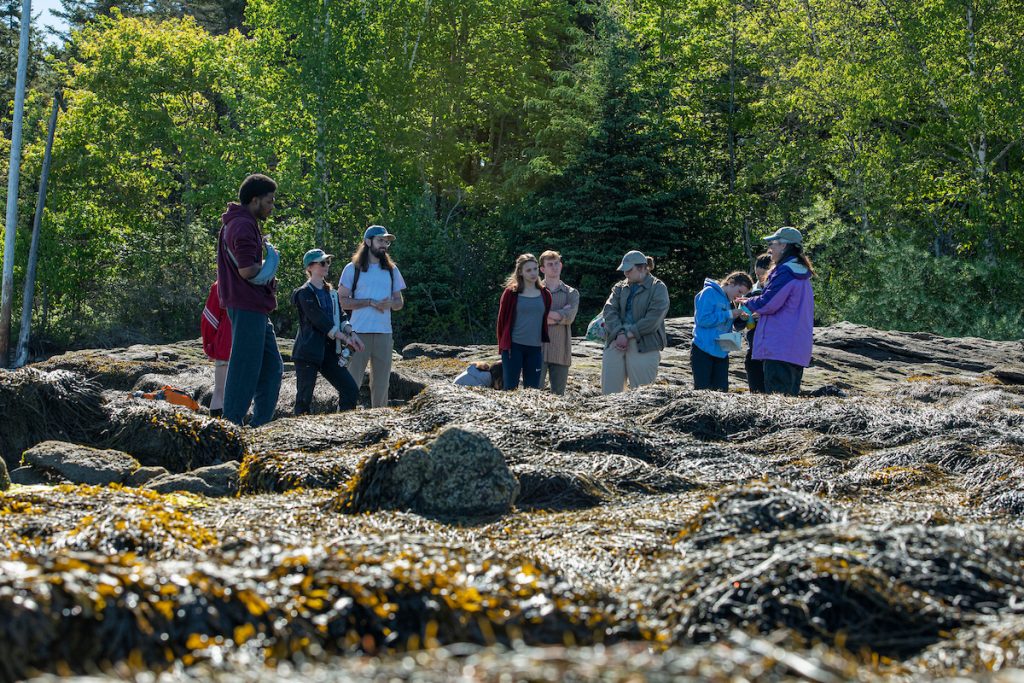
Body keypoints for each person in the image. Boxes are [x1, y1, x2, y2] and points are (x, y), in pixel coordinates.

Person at [216, 173, 283, 427]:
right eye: (269, 201)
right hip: (246, 305)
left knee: (271, 368)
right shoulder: (242, 225)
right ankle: (230, 426)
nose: (271, 206)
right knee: (244, 367)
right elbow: (247, 271)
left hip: (254, 305)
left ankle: (261, 426)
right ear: (254, 200)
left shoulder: (243, 223)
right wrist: (270, 267)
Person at [738, 226, 815, 396]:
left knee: (776, 405)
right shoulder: (801, 272)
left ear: (784, 246)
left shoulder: (785, 271)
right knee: (790, 403)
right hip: (795, 349)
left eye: (773, 244)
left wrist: (748, 302)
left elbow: (769, 302)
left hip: (779, 348)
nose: (770, 249)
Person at [337, 225, 407, 408]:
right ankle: (344, 421)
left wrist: (390, 304)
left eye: (386, 242)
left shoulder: (392, 270)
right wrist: (369, 302)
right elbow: (343, 302)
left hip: (384, 334)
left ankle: (380, 422)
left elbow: (399, 303)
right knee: (351, 382)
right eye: (380, 240)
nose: (384, 245)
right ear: (368, 242)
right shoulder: (352, 269)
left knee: (382, 384)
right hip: (358, 333)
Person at [291, 249, 364, 415]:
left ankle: (344, 425)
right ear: (310, 267)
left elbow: (342, 316)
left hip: (328, 352)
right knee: (304, 399)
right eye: (322, 263)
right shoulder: (304, 293)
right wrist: (345, 338)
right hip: (307, 353)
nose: (326, 266)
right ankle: (300, 433)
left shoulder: (332, 293)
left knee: (350, 389)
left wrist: (351, 333)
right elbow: (319, 321)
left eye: (328, 262)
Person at [601, 250, 670, 394]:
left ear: (642, 268)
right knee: (609, 394)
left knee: (641, 395)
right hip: (616, 340)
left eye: (629, 270)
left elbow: (653, 319)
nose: (625, 273)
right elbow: (608, 310)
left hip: (645, 345)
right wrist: (620, 332)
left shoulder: (658, 288)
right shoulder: (620, 287)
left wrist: (628, 335)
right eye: (624, 270)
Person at [496, 253, 552, 390]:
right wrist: (503, 346)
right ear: (520, 272)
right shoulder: (511, 293)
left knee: (533, 391)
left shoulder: (545, 294)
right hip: (513, 348)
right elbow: (501, 322)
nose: (533, 273)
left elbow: (543, 318)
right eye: (528, 270)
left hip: (535, 349)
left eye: (535, 269)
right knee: (510, 388)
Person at [691, 272, 754, 391]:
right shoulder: (709, 292)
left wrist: (741, 319)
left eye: (743, 294)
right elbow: (702, 320)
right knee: (702, 392)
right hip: (703, 349)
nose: (738, 296)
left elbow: (735, 326)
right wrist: (729, 314)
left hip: (722, 352)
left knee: (722, 392)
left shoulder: (731, 301)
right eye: (739, 291)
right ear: (731, 283)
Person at [539, 250, 580, 395]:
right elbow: (533, 318)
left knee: (558, 398)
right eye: (550, 264)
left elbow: (570, 318)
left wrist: (544, 315)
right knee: (532, 394)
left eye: (557, 263)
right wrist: (561, 314)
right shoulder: (535, 291)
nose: (554, 267)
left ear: (561, 266)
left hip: (561, 351)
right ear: (542, 269)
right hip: (538, 350)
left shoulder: (571, 293)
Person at [741, 253, 773, 393]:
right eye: (757, 274)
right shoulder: (749, 294)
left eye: (763, 275)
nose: (760, 279)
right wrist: (742, 317)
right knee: (756, 391)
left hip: (773, 350)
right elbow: (739, 325)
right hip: (753, 349)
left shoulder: (777, 292)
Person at [200, 281, 231, 418]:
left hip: (226, 343)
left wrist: (209, 347)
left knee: (219, 391)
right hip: (250, 341)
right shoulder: (257, 278)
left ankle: (216, 427)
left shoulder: (221, 285)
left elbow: (209, 319)